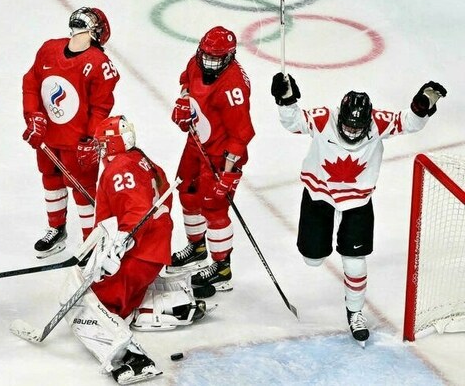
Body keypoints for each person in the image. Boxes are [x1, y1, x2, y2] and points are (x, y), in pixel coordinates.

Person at [271, 72, 447, 346]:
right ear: (340, 117)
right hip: (320, 195)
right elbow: (293, 122)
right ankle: (317, 253)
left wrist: (422, 104)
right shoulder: (323, 119)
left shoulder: (378, 122)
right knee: (312, 258)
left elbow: (409, 123)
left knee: (355, 261)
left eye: (357, 128)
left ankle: (355, 312)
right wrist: (285, 99)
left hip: (358, 201)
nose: (352, 132)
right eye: (349, 127)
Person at [65, 116, 204, 385]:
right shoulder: (140, 159)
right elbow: (162, 196)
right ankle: (171, 304)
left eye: (103, 144)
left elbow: (136, 211)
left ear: (116, 143)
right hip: (151, 251)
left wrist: (121, 244)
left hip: (138, 255)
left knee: (88, 307)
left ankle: (130, 357)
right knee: (117, 297)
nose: (99, 149)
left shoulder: (119, 169)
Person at [21, 6, 119, 258]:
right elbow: (31, 82)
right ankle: (57, 229)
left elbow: (101, 106)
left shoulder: (100, 64)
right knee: (50, 178)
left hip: (77, 140)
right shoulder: (49, 49)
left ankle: (91, 241)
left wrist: (91, 138)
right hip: (48, 134)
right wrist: (32, 116)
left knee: (82, 187)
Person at [167, 26, 255, 296]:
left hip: (221, 155)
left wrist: (228, 174)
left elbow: (241, 135)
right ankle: (197, 247)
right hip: (196, 143)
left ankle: (221, 266)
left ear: (229, 57)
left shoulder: (233, 87)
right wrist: (184, 102)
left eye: (216, 59)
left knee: (214, 208)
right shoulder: (196, 62)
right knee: (186, 191)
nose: (209, 63)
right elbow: (186, 80)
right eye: (206, 56)